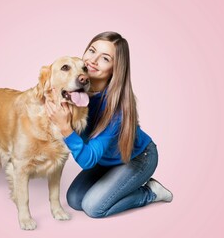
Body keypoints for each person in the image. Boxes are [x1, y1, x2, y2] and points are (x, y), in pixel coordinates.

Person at [45, 31, 173, 218]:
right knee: (74, 200)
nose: (93, 60)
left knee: (93, 207)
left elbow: (87, 160)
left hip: (137, 157)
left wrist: (65, 128)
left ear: (115, 68)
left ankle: (150, 192)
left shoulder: (117, 109)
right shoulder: (76, 88)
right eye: (91, 50)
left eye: (105, 58)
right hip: (105, 158)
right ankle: (121, 183)